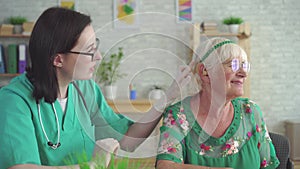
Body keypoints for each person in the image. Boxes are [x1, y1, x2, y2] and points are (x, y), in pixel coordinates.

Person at [0, 7, 193, 169]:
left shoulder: (85, 90)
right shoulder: (14, 101)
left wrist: (168, 96)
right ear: (58, 59)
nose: (99, 56)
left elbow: (129, 140)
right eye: (90, 50)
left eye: (96, 46)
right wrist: (92, 165)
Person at [156, 37, 280, 169]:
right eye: (234, 65)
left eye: (244, 66)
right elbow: (166, 166)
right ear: (205, 72)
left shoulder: (250, 111)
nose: (243, 73)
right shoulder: (178, 115)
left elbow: (269, 166)